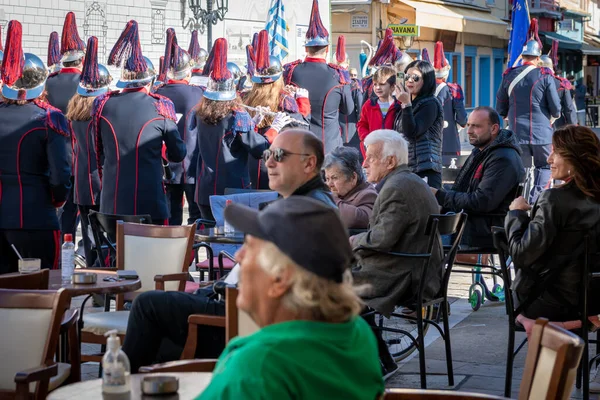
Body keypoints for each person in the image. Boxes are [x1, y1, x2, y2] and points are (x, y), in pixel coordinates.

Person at [122, 129, 336, 372]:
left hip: (245, 325)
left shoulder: (308, 210)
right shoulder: (307, 203)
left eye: (280, 155)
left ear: (309, 163)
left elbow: (290, 289)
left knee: (147, 305)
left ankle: (123, 385)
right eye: (268, 153)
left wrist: (232, 285)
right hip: (246, 316)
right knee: (155, 319)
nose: (269, 161)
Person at [198, 197, 385, 399]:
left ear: (280, 278)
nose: (239, 257)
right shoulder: (357, 333)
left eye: (250, 246)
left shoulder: (260, 366)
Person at [349, 129, 442, 377]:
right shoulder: (406, 181)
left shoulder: (397, 187)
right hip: (412, 268)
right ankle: (381, 362)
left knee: (326, 287)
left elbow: (381, 238)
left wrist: (352, 241)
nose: (365, 163)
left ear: (390, 161)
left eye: (371, 158)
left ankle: (358, 367)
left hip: (404, 275)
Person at [505, 125, 600, 324]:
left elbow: (522, 254)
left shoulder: (553, 199)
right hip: (593, 300)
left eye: (555, 153)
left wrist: (516, 214)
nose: (549, 159)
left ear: (574, 159)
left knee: (517, 302)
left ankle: (532, 323)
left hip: (551, 300)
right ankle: (581, 324)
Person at [94, 20, 186, 225]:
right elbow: (178, 154)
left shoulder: (103, 104)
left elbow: (97, 150)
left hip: (112, 203)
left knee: (115, 255)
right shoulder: (161, 106)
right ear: (149, 81)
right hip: (149, 203)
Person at [0, 20, 72, 273]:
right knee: (43, 289)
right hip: (36, 216)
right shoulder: (50, 117)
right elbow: (61, 175)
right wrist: (58, 200)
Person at [192, 38, 285, 221]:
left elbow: (230, 136)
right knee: (232, 241)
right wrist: (274, 128)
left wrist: (253, 121)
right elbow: (259, 149)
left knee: (213, 239)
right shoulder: (237, 115)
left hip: (204, 190)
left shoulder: (200, 114)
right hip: (232, 191)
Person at [433, 107, 525, 248]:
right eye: (469, 125)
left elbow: (481, 201)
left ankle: (431, 267)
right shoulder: (483, 151)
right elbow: (467, 188)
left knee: (421, 235)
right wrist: (438, 193)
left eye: (476, 126)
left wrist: (440, 196)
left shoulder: (503, 158)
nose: (469, 131)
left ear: (494, 129)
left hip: (484, 231)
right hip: (474, 223)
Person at [495, 19, 561, 202]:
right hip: (542, 134)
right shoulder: (545, 76)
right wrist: (554, 116)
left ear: (523, 56)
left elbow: (500, 103)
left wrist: (504, 115)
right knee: (545, 168)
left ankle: (517, 202)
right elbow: (555, 107)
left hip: (516, 132)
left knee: (518, 170)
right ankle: (535, 202)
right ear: (538, 57)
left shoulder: (509, 75)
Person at [283, 0, 354, 153]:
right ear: (327, 49)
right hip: (329, 146)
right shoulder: (339, 74)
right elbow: (348, 109)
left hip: (299, 144)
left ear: (306, 48)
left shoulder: (290, 71)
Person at [243, 30, 310, 190]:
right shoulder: (285, 100)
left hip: (251, 165)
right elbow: (303, 129)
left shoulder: (246, 97)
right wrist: (303, 102)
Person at [67, 36, 111, 267]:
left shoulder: (75, 114)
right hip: (101, 181)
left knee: (87, 228)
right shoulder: (102, 114)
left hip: (82, 182)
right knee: (103, 235)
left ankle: (89, 263)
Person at [154, 29, 204, 226]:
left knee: (172, 219)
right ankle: (191, 257)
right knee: (195, 219)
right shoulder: (197, 93)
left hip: (166, 165)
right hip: (191, 164)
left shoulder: (157, 92)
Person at [46, 11, 87, 244]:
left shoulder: (49, 82)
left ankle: (62, 248)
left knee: (61, 211)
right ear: (81, 60)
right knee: (77, 210)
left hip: (53, 155)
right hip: (80, 157)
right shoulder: (85, 84)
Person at [394, 59, 444, 189]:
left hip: (425, 168)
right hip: (409, 167)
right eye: (407, 76)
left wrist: (406, 104)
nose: (410, 80)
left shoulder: (430, 103)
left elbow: (411, 132)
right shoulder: (410, 102)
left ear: (426, 80)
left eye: (415, 77)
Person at [323, 146, 377, 229]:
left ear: (353, 177)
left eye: (334, 178)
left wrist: (331, 198)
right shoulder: (336, 192)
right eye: (327, 179)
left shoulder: (368, 194)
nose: (329, 184)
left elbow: (353, 220)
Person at [433, 41, 467, 166]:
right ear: (447, 72)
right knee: (450, 172)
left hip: (428, 139)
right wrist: (461, 124)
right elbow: (461, 115)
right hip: (449, 138)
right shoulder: (453, 89)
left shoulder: (423, 89)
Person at [357, 66, 401, 158]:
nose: (377, 87)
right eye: (375, 84)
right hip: (372, 150)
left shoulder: (399, 105)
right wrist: (366, 139)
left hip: (392, 151)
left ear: (392, 86)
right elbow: (362, 124)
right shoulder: (369, 104)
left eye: (382, 84)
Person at [336, 36, 363, 154]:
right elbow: (360, 109)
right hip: (345, 128)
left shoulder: (353, 85)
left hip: (345, 127)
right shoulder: (354, 85)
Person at [539, 51, 576, 129]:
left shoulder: (530, 82)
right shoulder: (561, 83)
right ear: (552, 67)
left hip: (536, 125)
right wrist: (573, 127)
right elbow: (569, 108)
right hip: (557, 126)